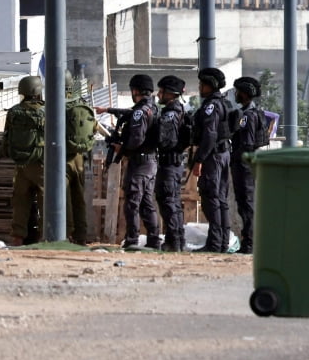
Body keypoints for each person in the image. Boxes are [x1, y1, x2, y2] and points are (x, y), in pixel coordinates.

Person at [97, 74, 160, 249]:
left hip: (140, 163)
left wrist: (121, 149)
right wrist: (107, 110)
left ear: (135, 91)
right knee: (147, 202)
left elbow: (137, 139)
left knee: (132, 201)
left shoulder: (140, 112)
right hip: (150, 162)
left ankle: (132, 239)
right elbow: (131, 113)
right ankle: (154, 240)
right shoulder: (152, 107)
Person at [0, 75, 45, 246]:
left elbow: (6, 136)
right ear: (38, 91)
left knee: (20, 202)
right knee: (45, 201)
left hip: (20, 164)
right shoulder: (46, 111)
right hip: (41, 164)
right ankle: (44, 237)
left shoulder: (14, 111)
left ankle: (18, 238)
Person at [230, 76, 274, 255]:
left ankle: (250, 243)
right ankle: (249, 241)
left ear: (245, 94)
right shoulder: (255, 113)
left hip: (244, 165)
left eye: (238, 92)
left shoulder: (247, 116)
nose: (236, 95)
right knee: (246, 204)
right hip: (248, 164)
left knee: (246, 204)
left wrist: (237, 158)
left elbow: (246, 144)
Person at [190, 67, 232, 253]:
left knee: (211, 199)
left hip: (213, 156)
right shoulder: (224, 103)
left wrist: (199, 160)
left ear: (210, 86)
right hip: (223, 154)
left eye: (202, 84)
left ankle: (215, 244)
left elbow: (209, 134)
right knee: (220, 199)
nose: (200, 87)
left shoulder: (211, 106)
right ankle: (222, 242)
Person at [154, 75, 190, 252]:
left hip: (169, 163)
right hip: (173, 164)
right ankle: (175, 239)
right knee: (172, 202)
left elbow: (165, 140)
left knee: (169, 202)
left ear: (170, 94)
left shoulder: (169, 114)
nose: (158, 94)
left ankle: (174, 241)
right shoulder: (178, 110)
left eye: (161, 92)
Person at [63, 72, 97, 246]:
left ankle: (67, 234)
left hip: (62, 157)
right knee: (79, 198)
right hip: (80, 159)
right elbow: (94, 127)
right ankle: (81, 236)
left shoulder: (54, 103)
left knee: (64, 197)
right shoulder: (81, 103)